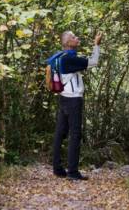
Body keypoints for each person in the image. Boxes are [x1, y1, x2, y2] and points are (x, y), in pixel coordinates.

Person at [51, 30, 103, 180]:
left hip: (63, 98)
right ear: (68, 43)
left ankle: (57, 168)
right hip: (73, 100)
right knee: (75, 134)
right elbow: (94, 62)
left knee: (60, 133)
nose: (77, 38)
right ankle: (72, 172)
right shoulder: (69, 59)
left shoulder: (60, 57)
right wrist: (96, 45)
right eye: (74, 37)